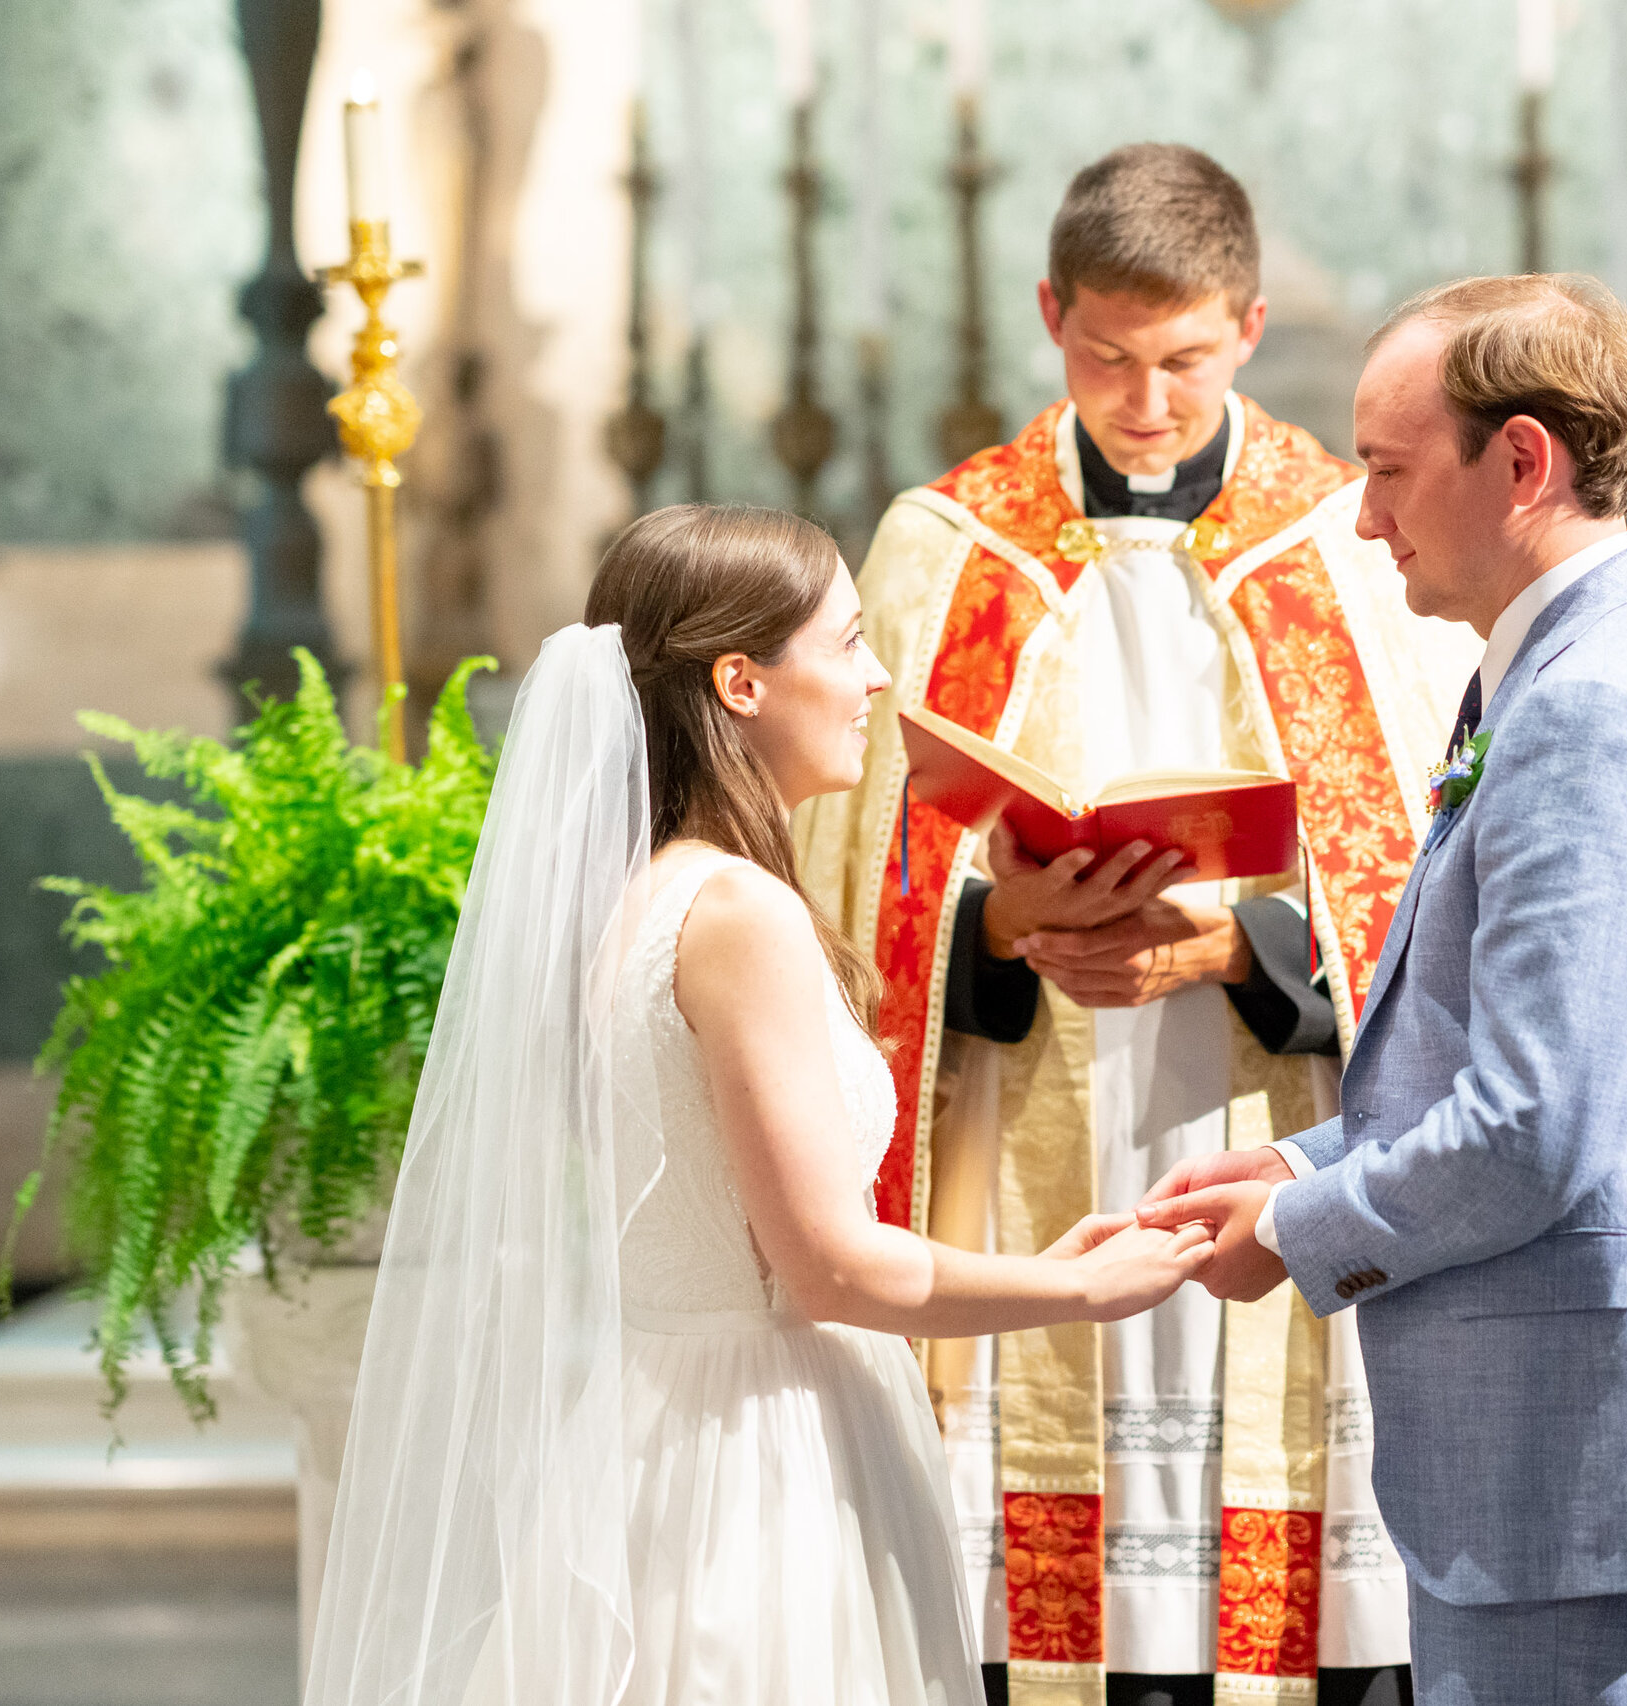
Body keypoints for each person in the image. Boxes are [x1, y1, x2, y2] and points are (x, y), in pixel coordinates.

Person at [303, 505, 1217, 1706]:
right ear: (741, 679)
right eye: (846, 643)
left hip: (653, 1421)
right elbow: (830, 1268)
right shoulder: (738, 914)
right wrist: (1079, 1284)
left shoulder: (636, 895)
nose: (877, 676)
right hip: (759, 1450)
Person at [798, 145, 1472, 1706]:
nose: (1146, 398)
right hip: (1016, 1133)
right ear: (1051, 315)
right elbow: (840, 874)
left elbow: (1424, 873)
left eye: (1180, 360)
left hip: (1265, 1107)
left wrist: (1247, 942)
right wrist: (992, 918)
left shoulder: (1343, 541)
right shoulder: (947, 545)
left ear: (1243, 326)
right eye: (1106, 356)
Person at [1138, 275, 1627, 1705]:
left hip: (1577, 1453)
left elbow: (1535, 1127)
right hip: (1577, 1440)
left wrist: (1296, 1225)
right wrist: (1296, 1154)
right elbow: (1527, 1062)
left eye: (1392, 470)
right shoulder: (1605, 655)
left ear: (1521, 462)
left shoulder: (1598, 706)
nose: (1363, 514)